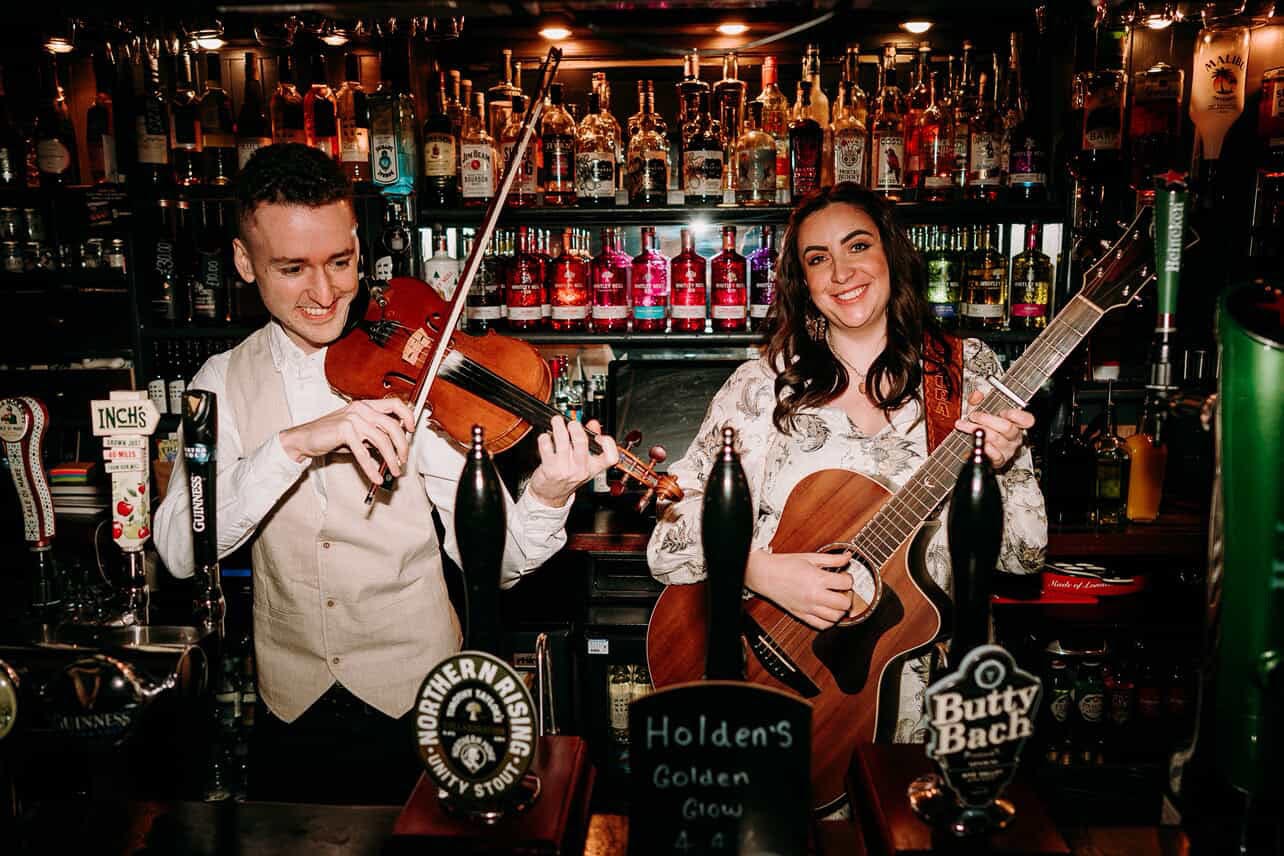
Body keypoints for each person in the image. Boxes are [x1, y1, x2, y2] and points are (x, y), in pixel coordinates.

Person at [153, 144, 618, 804]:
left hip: (421, 706)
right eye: (292, 268)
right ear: (244, 262)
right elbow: (179, 549)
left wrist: (545, 494)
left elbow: (500, 564)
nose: (324, 293)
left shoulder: (417, 372)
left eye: (340, 262)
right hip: (290, 714)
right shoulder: (221, 381)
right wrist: (293, 445)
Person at [648, 183, 1047, 742]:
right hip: (793, 692)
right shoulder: (762, 387)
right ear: (804, 284)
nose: (840, 273)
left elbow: (1024, 555)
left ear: (892, 255)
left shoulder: (966, 372)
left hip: (938, 698)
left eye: (857, 246)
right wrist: (756, 570)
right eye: (818, 259)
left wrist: (1003, 466)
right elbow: (670, 538)